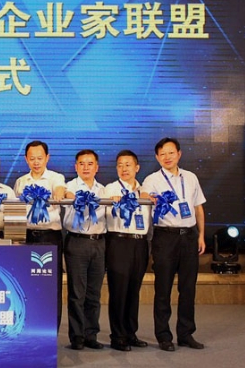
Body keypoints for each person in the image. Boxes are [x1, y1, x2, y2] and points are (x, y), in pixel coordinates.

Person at [141, 137, 206, 352]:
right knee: (163, 289)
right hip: (165, 237)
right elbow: (144, 195)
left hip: (189, 236)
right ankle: (164, 335)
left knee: (188, 288)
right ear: (157, 157)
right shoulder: (152, 179)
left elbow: (198, 208)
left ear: (179, 154)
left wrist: (201, 235)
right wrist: (148, 197)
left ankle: (186, 334)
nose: (167, 157)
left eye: (171, 153)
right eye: (162, 154)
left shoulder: (191, 177)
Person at [14, 140, 66, 330]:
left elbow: (60, 189)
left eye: (40, 158)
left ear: (47, 158)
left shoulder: (56, 177)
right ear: (26, 159)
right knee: (26, 282)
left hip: (49, 237)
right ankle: (28, 327)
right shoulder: (21, 182)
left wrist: (58, 193)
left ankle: (52, 330)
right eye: (32, 158)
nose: (36, 162)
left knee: (51, 284)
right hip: (27, 236)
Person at [104, 150, 151, 351]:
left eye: (128, 165)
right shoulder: (110, 188)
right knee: (119, 291)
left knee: (134, 290)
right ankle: (118, 336)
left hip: (140, 243)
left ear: (137, 167)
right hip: (119, 242)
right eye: (120, 165)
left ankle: (131, 333)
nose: (124, 169)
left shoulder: (144, 190)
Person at [62, 149, 107, 350]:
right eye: (82, 163)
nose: (86, 167)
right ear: (76, 167)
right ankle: (77, 336)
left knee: (94, 293)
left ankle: (91, 335)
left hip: (99, 243)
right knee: (77, 293)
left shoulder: (104, 190)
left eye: (90, 164)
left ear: (97, 167)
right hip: (77, 242)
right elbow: (64, 195)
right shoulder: (69, 186)